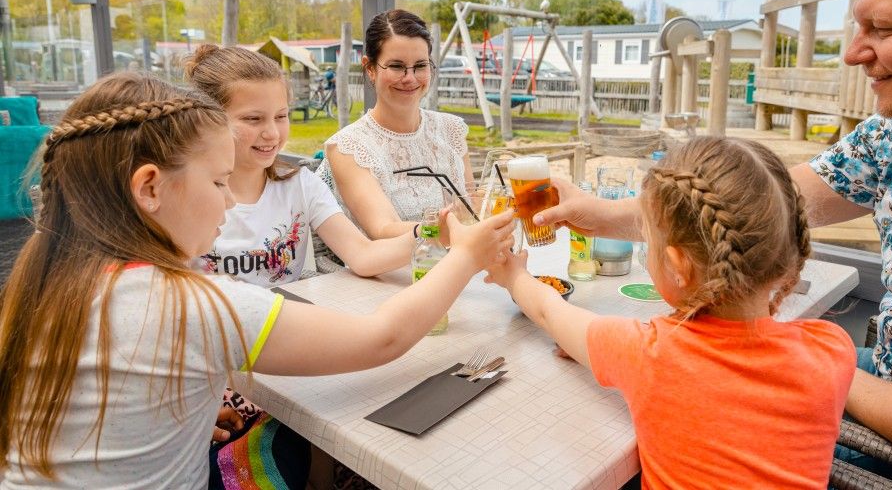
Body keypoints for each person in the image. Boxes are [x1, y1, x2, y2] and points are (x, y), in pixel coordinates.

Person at [534, 0, 892, 486]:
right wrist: (596, 215)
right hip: (885, 373)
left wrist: (788, 363)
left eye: (883, 28)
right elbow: (748, 209)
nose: (855, 52)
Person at [0, 72, 515, 488]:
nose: (228, 199)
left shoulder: (47, 277)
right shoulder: (187, 302)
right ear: (150, 187)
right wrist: (466, 257)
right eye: (218, 181)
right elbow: (383, 339)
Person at [488, 137, 855, 488]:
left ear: (676, 264)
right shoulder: (832, 349)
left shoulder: (647, 351)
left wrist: (512, 274)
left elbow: (549, 311)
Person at [185, 44, 420, 284]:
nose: (272, 133)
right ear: (208, 120)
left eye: (281, 116)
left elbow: (362, 255)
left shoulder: (302, 185)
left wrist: (431, 232)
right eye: (253, 119)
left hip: (285, 319)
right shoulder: (184, 195)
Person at [317, 9, 473, 239]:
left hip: (462, 262)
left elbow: (474, 207)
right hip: (388, 273)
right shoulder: (347, 147)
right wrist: (454, 230)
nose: (410, 78)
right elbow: (383, 229)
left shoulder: (451, 130)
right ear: (370, 68)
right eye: (397, 66)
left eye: (420, 65)